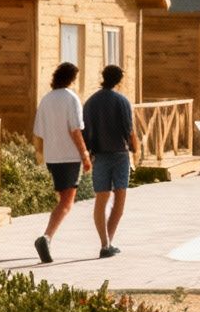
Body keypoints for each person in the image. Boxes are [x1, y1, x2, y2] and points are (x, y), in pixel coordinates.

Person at [32, 62, 90, 264]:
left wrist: (40, 156)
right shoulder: (71, 98)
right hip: (69, 157)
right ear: (71, 79)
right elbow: (75, 130)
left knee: (62, 200)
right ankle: (46, 238)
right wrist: (85, 155)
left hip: (52, 157)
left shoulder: (46, 99)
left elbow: (39, 132)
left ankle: (48, 237)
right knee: (66, 203)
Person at [81, 63, 139, 258]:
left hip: (99, 154)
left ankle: (105, 243)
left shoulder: (90, 103)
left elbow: (85, 131)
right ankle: (108, 242)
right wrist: (136, 149)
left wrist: (87, 154)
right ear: (119, 80)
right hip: (119, 154)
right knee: (119, 198)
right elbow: (129, 130)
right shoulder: (121, 101)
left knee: (101, 198)